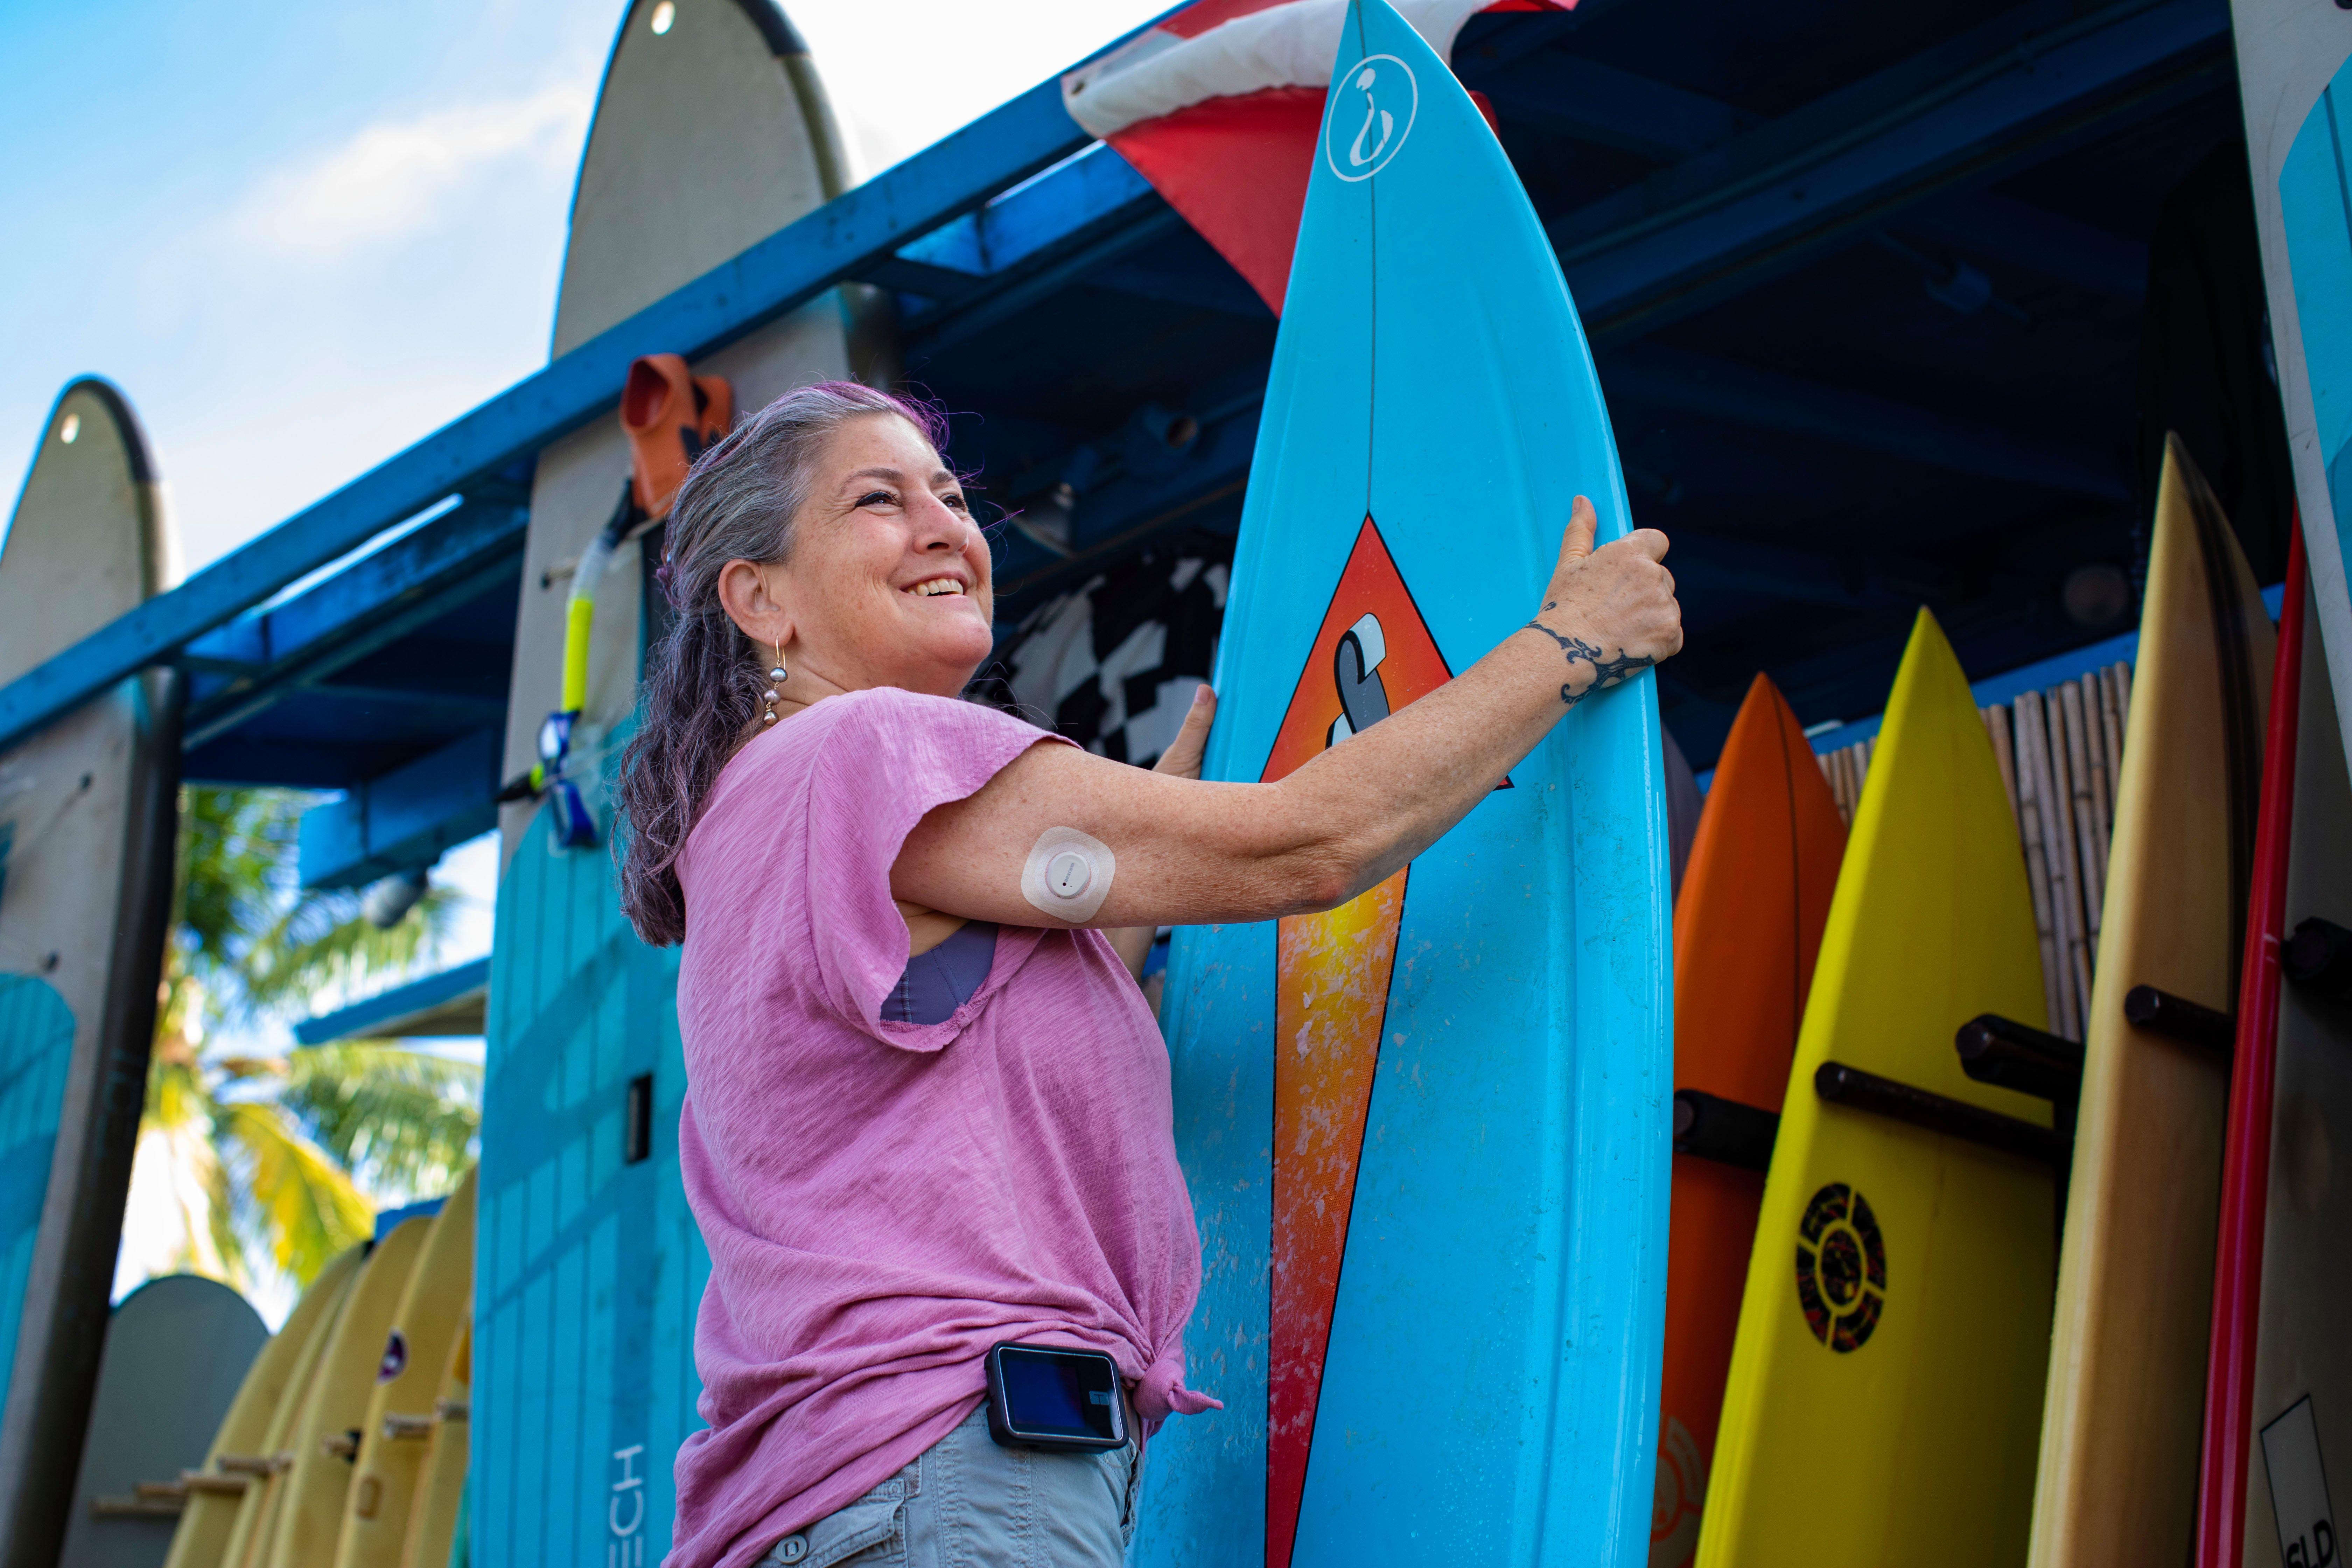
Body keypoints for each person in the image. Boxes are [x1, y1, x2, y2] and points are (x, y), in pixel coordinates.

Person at [617, 381, 1682, 1568]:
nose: (943, 527)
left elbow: (960, 1054)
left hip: (834, 1500)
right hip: (946, 1477)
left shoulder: (748, 827)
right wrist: (1571, 645)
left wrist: (1137, 875)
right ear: (759, 599)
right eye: (878, 500)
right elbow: (1309, 844)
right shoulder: (871, 747)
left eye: (951, 496)